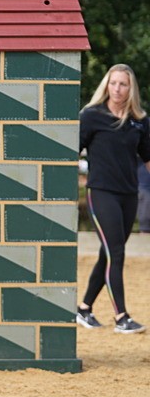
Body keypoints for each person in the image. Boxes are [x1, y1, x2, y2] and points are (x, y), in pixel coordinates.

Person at [77, 63, 150, 334]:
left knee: (107, 253)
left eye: (123, 84)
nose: (117, 89)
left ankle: (84, 308)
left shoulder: (140, 120)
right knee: (116, 252)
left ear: (131, 89)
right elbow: (73, 150)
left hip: (129, 194)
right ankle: (121, 317)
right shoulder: (92, 115)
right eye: (113, 83)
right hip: (101, 193)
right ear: (106, 85)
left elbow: (147, 158)